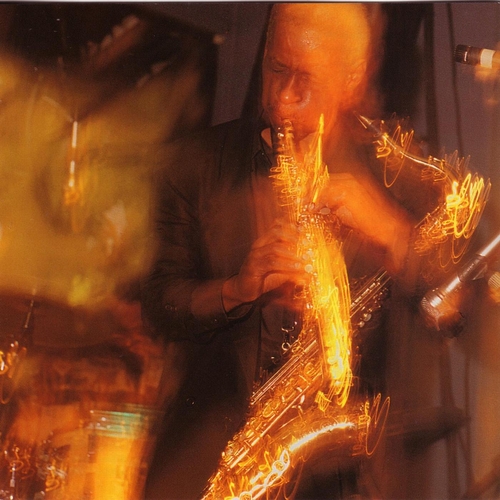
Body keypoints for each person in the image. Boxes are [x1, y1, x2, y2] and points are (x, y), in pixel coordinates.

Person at [141, 3, 443, 499]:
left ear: (351, 78)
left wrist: (392, 231)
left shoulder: (396, 179)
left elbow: (456, 310)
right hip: (205, 469)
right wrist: (235, 290)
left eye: (305, 79)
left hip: (332, 479)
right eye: (276, 69)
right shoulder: (194, 164)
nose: (282, 97)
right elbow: (158, 306)